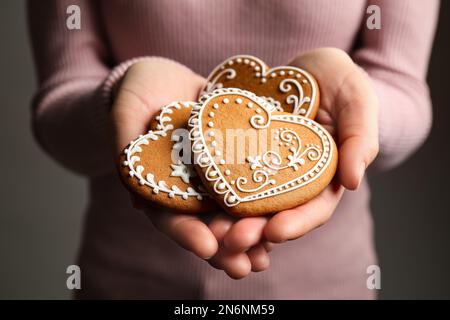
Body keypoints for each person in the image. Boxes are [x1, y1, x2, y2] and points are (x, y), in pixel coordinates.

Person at [27, 0, 438, 299]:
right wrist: (115, 99)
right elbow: (56, 104)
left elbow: (403, 88)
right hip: (125, 280)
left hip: (327, 284)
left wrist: (359, 113)